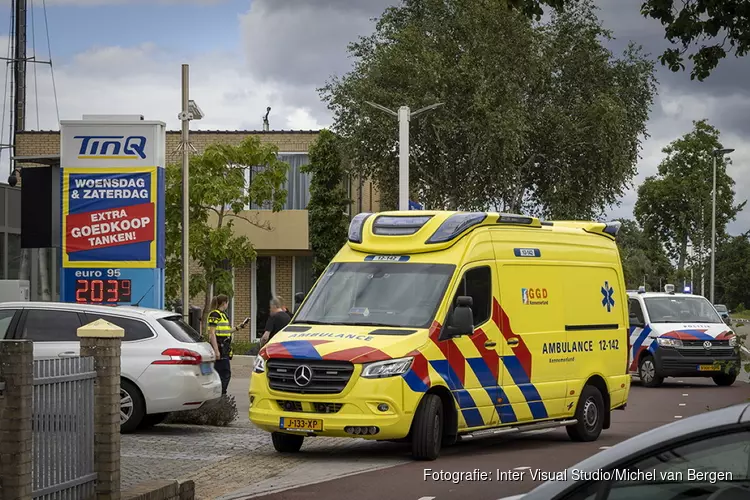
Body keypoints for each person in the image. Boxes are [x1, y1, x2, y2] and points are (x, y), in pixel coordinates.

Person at [206, 294, 248, 395]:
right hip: (219, 347)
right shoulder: (214, 315)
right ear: (224, 303)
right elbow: (212, 333)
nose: (227, 305)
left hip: (224, 348)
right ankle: (220, 395)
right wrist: (216, 350)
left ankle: (219, 395)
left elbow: (226, 331)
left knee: (222, 373)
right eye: (227, 303)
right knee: (224, 373)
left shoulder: (223, 315)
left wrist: (239, 327)